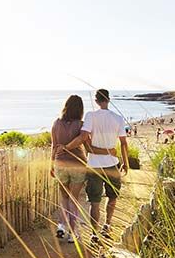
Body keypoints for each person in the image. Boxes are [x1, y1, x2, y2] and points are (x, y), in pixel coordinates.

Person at [64, 89, 129, 240]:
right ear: (109, 99)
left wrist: (66, 147)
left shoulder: (90, 116)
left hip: (94, 165)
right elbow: (124, 143)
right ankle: (107, 225)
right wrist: (125, 163)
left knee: (95, 202)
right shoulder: (118, 118)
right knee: (112, 197)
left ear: (96, 101)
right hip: (112, 164)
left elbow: (83, 137)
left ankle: (95, 234)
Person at [50, 95, 86, 242]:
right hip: (77, 164)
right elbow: (85, 142)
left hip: (60, 164)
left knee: (64, 198)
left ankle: (61, 226)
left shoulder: (56, 123)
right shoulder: (81, 124)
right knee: (74, 199)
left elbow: (53, 145)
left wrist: (51, 165)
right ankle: (72, 232)